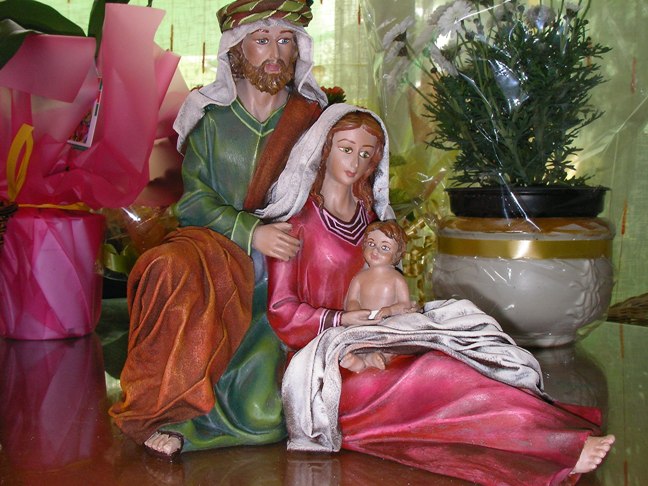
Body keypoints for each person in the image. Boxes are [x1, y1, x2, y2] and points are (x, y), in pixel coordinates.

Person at [261, 103, 615, 484]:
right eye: (346, 149)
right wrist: (344, 320)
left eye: (366, 154)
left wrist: (399, 314)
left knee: (458, 359)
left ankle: (552, 431)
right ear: (323, 150)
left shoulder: (373, 222)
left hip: (381, 340)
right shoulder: (296, 225)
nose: (355, 162)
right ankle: (556, 446)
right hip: (325, 365)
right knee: (435, 377)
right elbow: (282, 313)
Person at [109, 0, 327, 460]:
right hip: (216, 257)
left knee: (266, 413)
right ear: (237, 51)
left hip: (282, 280)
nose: (275, 54)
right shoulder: (211, 121)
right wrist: (251, 231)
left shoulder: (313, 122)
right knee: (166, 266)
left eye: (285, 41)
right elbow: (193, 202)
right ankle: (168, 409)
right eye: (262, 40)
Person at [341, 220, 413, 372]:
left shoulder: (396, 278)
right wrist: (356, 311)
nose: (375, 251)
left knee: (391, 342)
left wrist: (390, 310)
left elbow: (404, 304)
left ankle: (378, 357)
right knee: (354, 339)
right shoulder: (359, 278)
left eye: (384, 248)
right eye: (371, 244)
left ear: (397, 254)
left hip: (386, 322)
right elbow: (352, 299)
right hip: (364, 322)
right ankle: (359, 361)